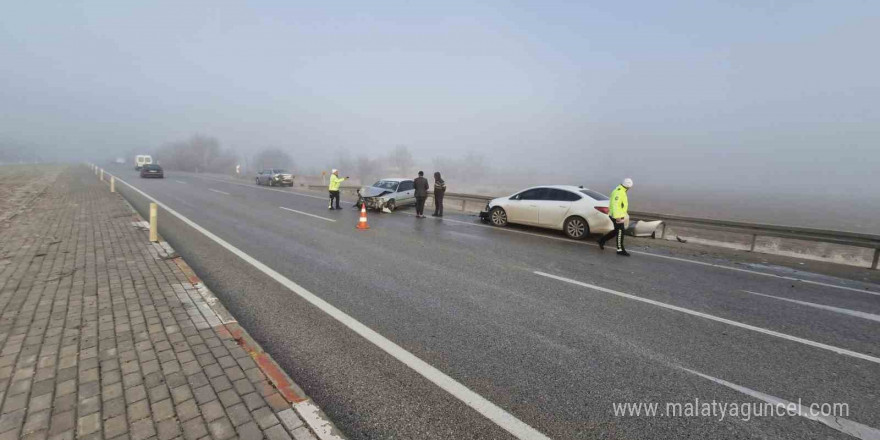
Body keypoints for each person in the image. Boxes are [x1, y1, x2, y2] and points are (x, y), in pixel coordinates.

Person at [598, 178, 633, 256]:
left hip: (617, 215)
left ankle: (601, 240)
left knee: (617, 231)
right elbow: (615, 205)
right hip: (617, 216)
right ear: (629, 187)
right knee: (620, 231)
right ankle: (620, 250)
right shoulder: (619, 192)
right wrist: (618, 217)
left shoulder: (621, 190)